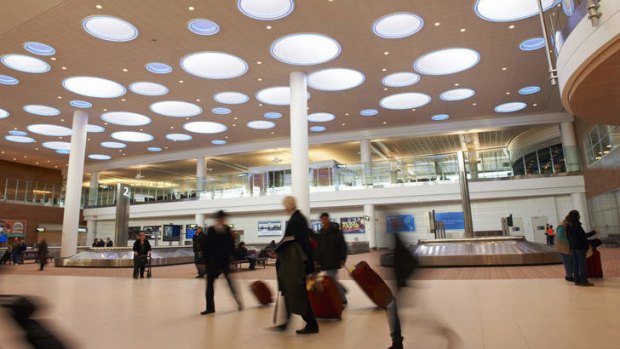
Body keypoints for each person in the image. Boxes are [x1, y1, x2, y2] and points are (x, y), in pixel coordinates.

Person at [274, 196, 318, 335]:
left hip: (297, 264)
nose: (284, 209)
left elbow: (289, 239)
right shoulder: (299, 218)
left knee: (296, 293)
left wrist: (276, 250)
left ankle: (312, 324)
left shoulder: (296, 220)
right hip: (298, 262)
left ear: (288, 206)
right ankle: (286, 322)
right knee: (289, 291)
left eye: (285, 206)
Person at [201, 210, 242, 315]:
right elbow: (206, 246)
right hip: (212, 262)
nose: (222, 220)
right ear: (218, 219)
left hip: (224, 261)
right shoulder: (211, 230)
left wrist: (233, 257)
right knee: (210, 285)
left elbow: (231, 245)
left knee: (230, 283)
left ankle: (238, 302)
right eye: (221, 219)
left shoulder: (227, 230)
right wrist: (206, 260)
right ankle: (210, 308)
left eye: (223, 219)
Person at [316, 212, 348, 305]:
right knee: (332, 279)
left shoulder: (336, 231)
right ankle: (343, 289)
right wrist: (317, 260)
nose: (324, 221)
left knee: (331, 279)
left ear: (328, 219)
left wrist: (343, 258)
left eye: (325, 219)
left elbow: (342, 245)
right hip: (325, 261)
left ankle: (343, 299)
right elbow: (319, 247)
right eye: (322, 219)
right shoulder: (321, 232)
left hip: (334, 259)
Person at [565, 210, 596, 286]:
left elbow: (568, 237)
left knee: (576, 263)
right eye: (579, 215)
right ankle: (584, 281)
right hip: (580, 247)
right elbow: (582, 236)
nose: (580, 216)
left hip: (573, 246)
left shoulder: (568, 225)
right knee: (582, 264)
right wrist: (593, 233)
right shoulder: (576, 225)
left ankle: (577, 280)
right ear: (576, 216)